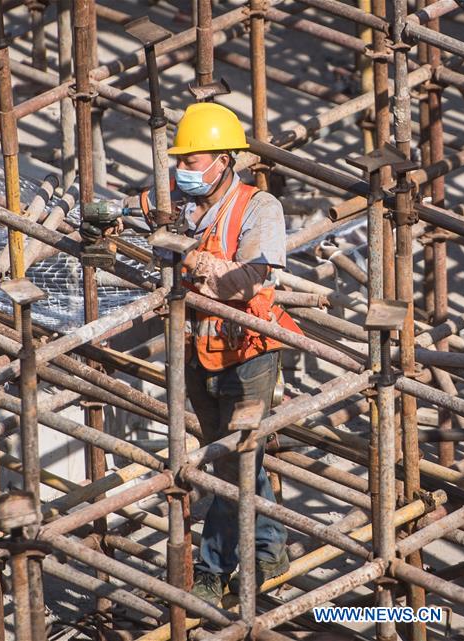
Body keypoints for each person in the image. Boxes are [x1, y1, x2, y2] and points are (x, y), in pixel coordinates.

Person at [139, 102, 300, 606]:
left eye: (192, 161)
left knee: (230, 460)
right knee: (233, 462)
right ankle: (271, 549)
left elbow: (247, 280)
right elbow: (135, 206)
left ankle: (211, 566)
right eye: (180, 161)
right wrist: (113, 218)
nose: (182, 171)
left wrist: (188, 256)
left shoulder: (258, 208)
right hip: (197, 349)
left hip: (248, 352)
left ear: (225, 159)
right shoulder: (180, 205)